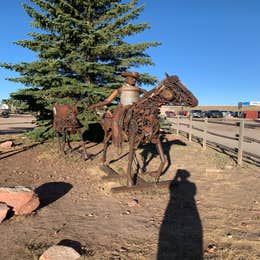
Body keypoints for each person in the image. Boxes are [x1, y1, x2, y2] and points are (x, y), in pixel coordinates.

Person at [90, 71, 148, 151]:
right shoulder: (120, 89)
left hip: (136, 108)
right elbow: (108, 101)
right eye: (132, 78)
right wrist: (96, 105)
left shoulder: (138, 89)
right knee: (115, 121)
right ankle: (117, 142)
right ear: (127, 79)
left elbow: (147, 95)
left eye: (135, 79)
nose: (134, 80)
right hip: (123, 108)